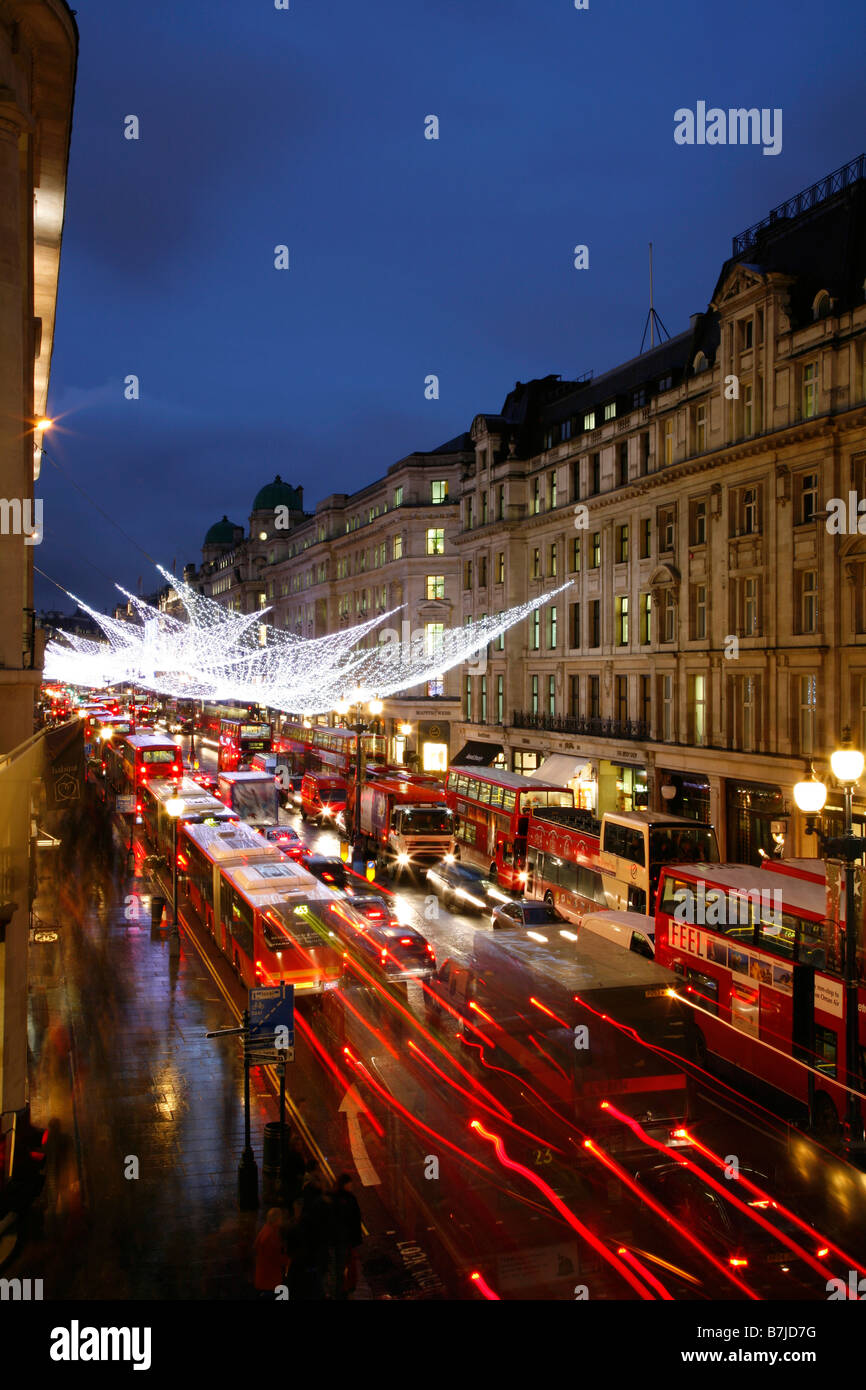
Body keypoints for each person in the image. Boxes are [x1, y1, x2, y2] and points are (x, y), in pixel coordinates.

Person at [331, 1172, 363, 1298]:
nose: (352, 1186)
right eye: (350, 1184)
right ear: (345, 1184)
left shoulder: (334, 1198)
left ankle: (342, 1290)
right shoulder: (349, 1199)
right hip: (346, 1238)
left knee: (341, 1266)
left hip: (340, 1238)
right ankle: (343, 1291)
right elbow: (355, 1219)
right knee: (345, 1266)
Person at [253, 1208, 286, 1299]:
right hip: (270, 1280)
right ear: (277, 1219)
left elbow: (256, 1246)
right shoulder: (271, 1235)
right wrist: (287, 1259)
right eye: (281, 1218)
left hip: (263, 1276)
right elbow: (276, 1258)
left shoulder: (266, 1229)